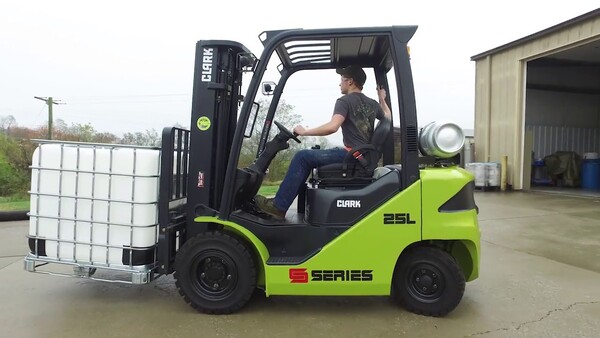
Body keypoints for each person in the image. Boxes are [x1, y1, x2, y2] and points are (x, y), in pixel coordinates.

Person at [255, 65, 392, 220]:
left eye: (341, 80)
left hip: (351, 155)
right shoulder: (373, 103)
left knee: (302, 156)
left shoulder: (344, 101)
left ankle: (278, 207)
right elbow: (387, 116)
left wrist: (304, 131)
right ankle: (283, 203)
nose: (339, 84)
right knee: (311, 155)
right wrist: (382, 98)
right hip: (361, 157)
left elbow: (332, 127)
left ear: (350, 81)